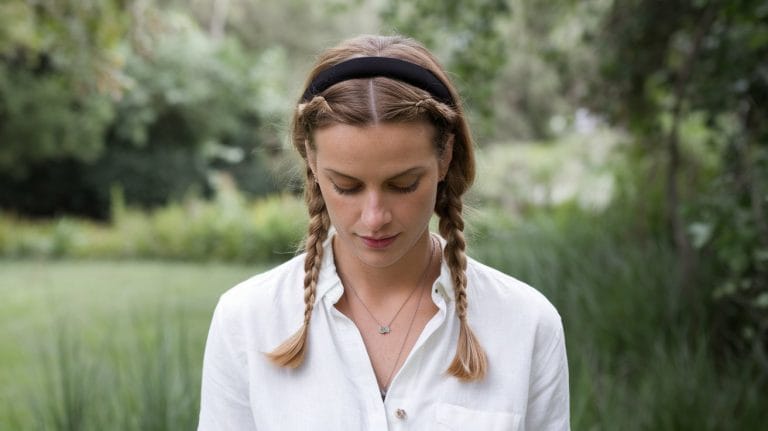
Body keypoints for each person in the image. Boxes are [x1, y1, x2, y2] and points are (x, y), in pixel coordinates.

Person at [198, 34, 569, 430]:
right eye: (346, 186)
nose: (375, 217)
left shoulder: (526, 324)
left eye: (403, 184)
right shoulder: (246, 320)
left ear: (445, 157)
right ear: (312, 161)